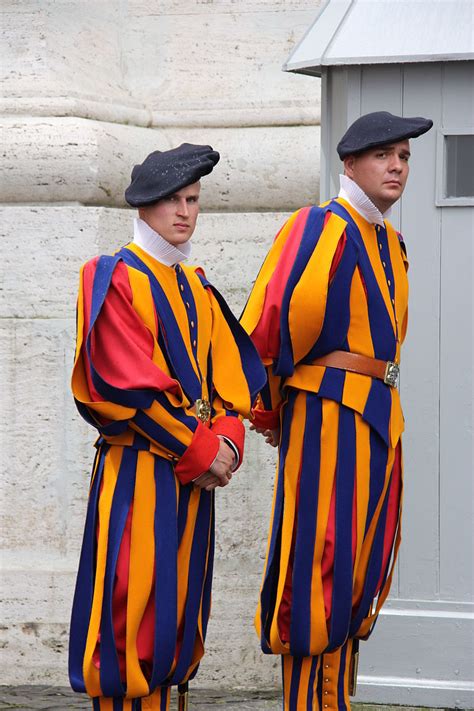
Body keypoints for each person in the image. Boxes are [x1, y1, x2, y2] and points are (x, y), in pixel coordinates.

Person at [240, 111, 433, 710]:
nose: (397, 165)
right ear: (349, 164)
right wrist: (272, 411)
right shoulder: (322, 225)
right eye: (383, 155)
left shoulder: (391, 241)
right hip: (328, 412)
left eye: (403, 155)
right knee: (319, 560)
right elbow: (270, 322)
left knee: (360, 567)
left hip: (378, 415)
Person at [69, 143, 266, 711]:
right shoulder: (112, 277)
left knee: (178, 610)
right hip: (138, 469)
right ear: (144, 207)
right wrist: (206, 449)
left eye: (192, 199)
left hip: (192, 473)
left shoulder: (197, 284)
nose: (183, 211)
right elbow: (122, 385)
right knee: (131, 610)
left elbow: (229, 377)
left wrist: (229, 440)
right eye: (170, 200)